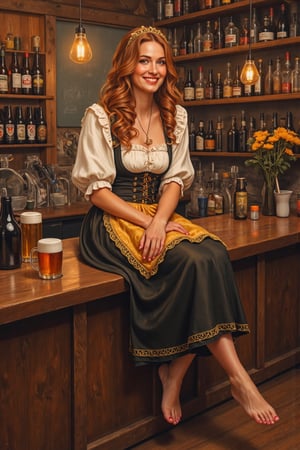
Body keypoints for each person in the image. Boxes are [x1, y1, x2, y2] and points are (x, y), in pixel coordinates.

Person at [72, 25, 279, 427]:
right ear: (128, 66)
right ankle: (239, 379)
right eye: (144, 61)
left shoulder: (176, 116)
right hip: (113, 219)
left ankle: (174, 375)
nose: (153, 69)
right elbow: (97, 192)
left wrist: (160, 221)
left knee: (214, 252)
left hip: (157, 215)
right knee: (192, 262)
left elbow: (174, 182)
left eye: (160, 62)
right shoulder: (101, 117)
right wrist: (148, 223)